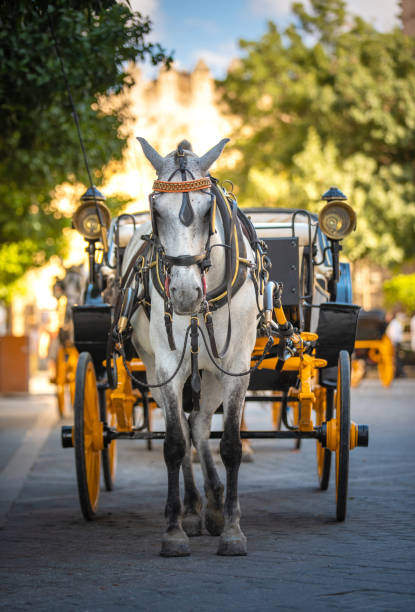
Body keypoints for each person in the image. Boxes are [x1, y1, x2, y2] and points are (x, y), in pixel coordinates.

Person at [386, 311, 406, 378]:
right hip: (396, 342)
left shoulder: (393, 323)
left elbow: (393, 335)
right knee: (396, 358)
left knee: (395, 359)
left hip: (394, 343)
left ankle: (400, 373)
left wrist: (392, 344)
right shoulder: (395, 323)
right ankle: (399, 373)